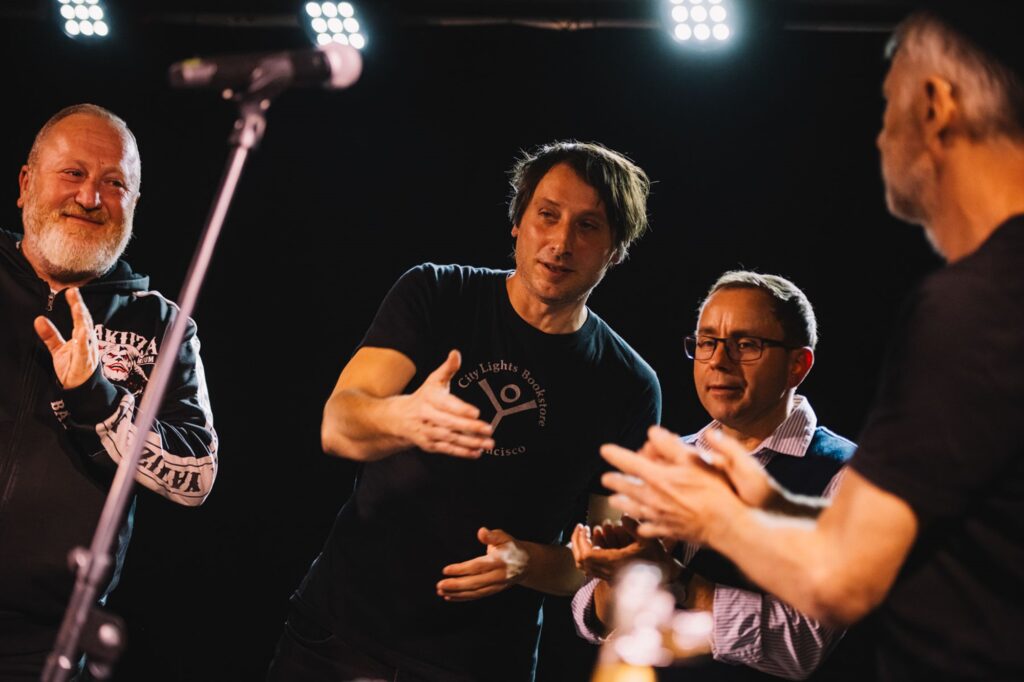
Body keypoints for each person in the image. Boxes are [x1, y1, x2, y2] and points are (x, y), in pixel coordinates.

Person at [599, 5, 1024, 679]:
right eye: (707, 340)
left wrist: (713, 518)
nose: (879, 138)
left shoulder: (979, 307)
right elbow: (892, 545)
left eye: (886, 107)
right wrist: (769, 504)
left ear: (935, 105)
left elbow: (841, 581)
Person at [268, 141, 661, 681]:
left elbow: (599, 561)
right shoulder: (437, 292)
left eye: (588, 226)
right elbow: (338, 426)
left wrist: (527, 562)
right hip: (341, 635)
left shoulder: (629, 385)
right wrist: (405, 417)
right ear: (517, 223)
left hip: (482, 664)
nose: (561, 242)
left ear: (615, 250)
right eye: (547, 215)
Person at [0, 104, 218, 678]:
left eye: (114, 183)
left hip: (40, 647)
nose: (90, 197)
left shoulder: (163, 325)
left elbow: (197, 475)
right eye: (73, 173)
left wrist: (95, 399)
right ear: (25, 184)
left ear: (133, 205)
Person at [571, 271, 856, 680]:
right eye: (707, 343)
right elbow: (596, 623)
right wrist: (620, 575)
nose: (719, 361)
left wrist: (679, 581)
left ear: (798, 365)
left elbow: (802, 646)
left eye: (747, 345)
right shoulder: (670, 458)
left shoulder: (846, 475)